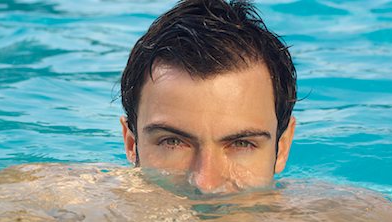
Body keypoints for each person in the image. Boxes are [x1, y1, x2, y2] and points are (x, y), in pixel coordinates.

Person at [120, 0, 296, 194]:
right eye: (172, 142)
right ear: (131, 144)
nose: (206, 185)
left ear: (282, 148)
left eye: (241, 144)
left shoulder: (325, 221)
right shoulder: (87, 215)